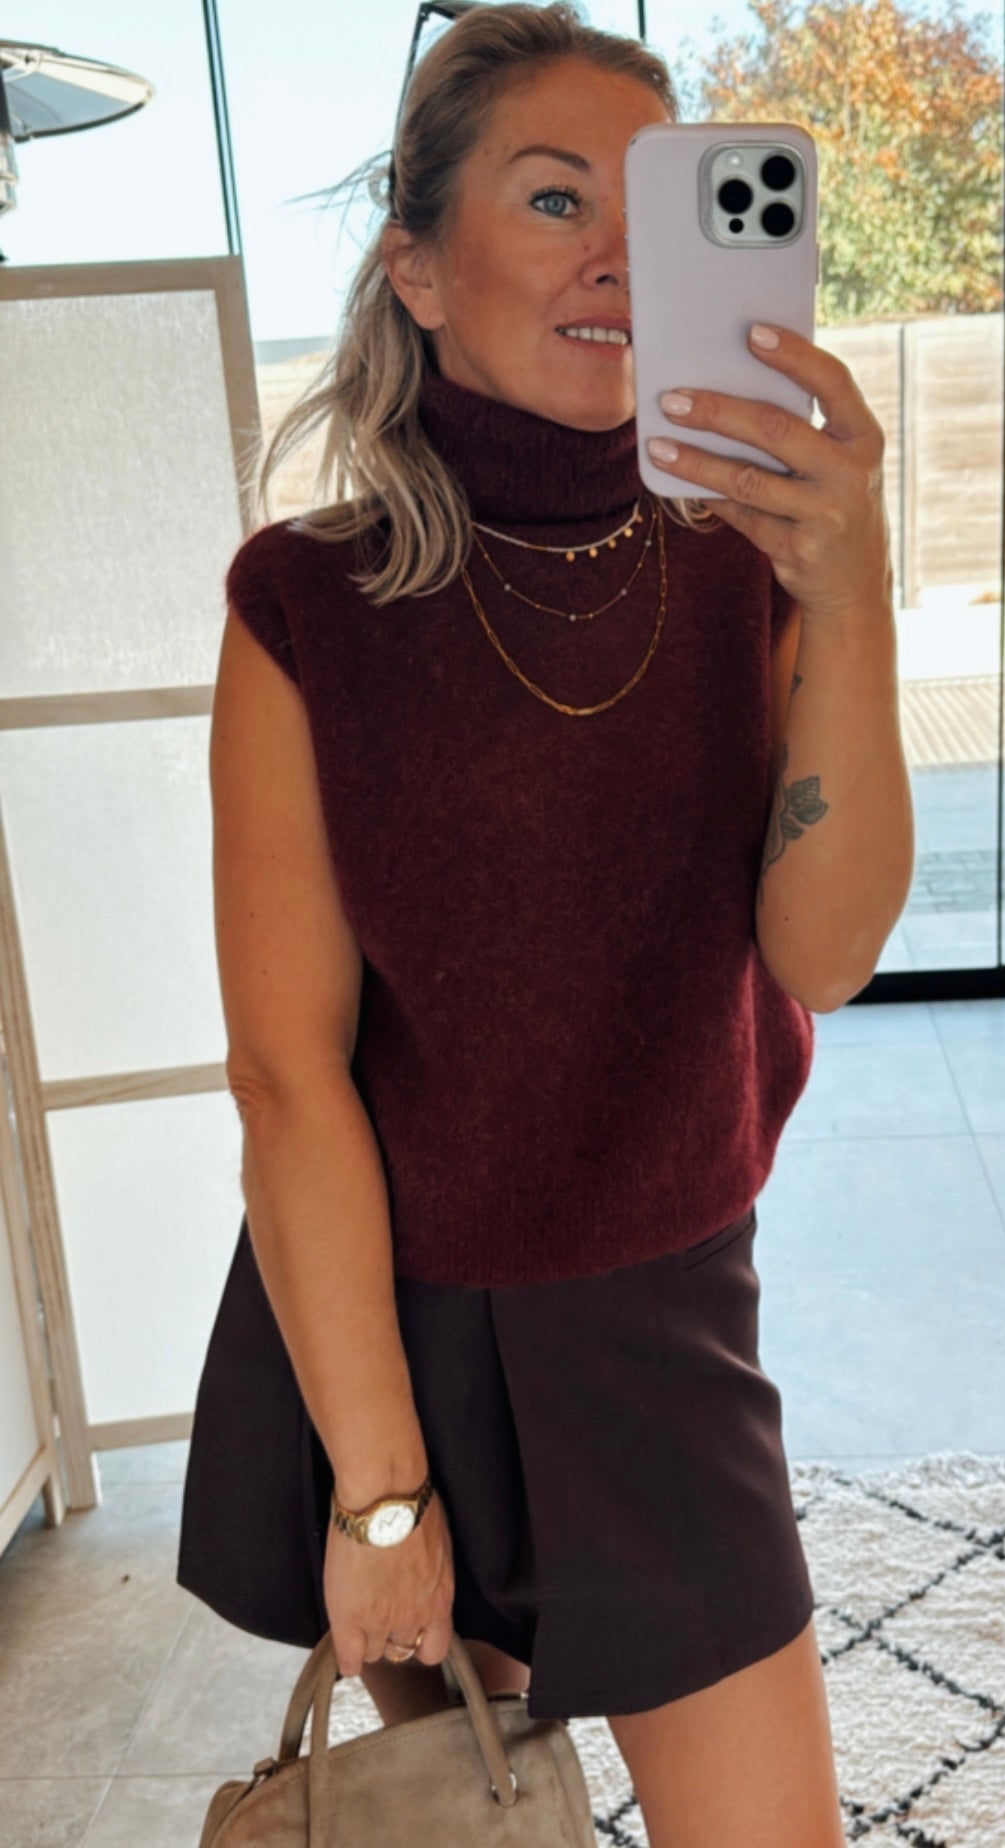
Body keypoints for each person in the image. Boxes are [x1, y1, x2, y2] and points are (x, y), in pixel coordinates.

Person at [177, 4, 902, 1843]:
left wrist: (854, 594)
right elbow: (286, 1074)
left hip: (662, 1325)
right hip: (391, 1336)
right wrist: (380, 1496)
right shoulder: (307, 607)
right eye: (555, 197)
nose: (616, 257)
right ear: (418, 268)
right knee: (473, 1822)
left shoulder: (755, 563)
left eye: (653, 210)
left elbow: (825, 956)